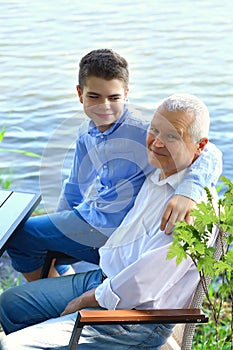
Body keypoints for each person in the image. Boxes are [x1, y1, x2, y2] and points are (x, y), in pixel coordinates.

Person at [0, 93, 219, 349]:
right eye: (155, 130)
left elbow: (143, 283)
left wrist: (84, 300)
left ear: (198, 146)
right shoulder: (157, 169)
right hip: (103, 278)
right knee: (10, 305)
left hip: (134, 320)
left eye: (172, 136)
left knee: (13, 346)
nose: (157, 142)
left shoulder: (193, 212)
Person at [5, 49, 222, 282]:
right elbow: (75, 187)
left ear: (126, 94)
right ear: (80, 94)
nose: (104, 106)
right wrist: (59, 228)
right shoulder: (85, 135)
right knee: (36, 245)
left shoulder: (143, 130)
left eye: (114, 98)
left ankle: (44, 300)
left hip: (119, 231)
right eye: (94, 97)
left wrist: (188, 191)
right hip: (90, 219)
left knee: (20, 237)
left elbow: (210, 153)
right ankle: (55, 291)